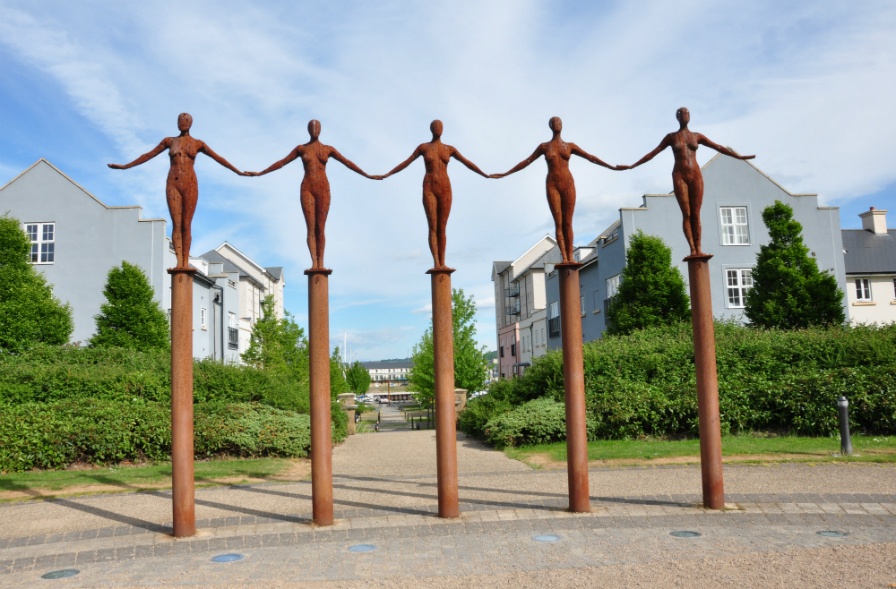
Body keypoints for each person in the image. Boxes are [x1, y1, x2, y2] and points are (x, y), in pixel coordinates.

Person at [108, 113, 245, 269]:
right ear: (177, 123)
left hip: (190, 184)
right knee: (176, 224)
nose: (183, 123)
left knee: (186, 225)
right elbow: (148, 155)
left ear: (191, 124)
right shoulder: (169, 141)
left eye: (187, 121)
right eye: (181, 120)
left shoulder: (198, 144)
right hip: (173, 183)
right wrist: (126, 166)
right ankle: (179, 262)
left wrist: (238, 171)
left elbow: (219, 158)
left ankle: (185, 262)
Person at [619, 107, 755, 257]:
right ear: (677, 117)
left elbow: (719, 147)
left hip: (695, 175)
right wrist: (632, 166)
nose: (684, 116)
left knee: (696, 214)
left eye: (686, 113)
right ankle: (692, 249)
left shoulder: (697, 136)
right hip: (679, 175)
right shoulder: (671, 137)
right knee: (687, 214)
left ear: (689, 116)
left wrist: (739, 157)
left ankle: (699, 248)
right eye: (680, 114)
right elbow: (652, 153)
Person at [245, 119, 380, 270]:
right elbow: (282, 162)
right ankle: (314, 264)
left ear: (321, 129)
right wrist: (260, 173)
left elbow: (347, 162)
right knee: (310, 227)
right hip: (307, 188)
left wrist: (367, 175)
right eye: (312, 127)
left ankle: (321, 263)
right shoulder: (301, 149)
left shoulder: (328, 149)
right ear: (308, 130)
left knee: (320, 228)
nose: (314, 129)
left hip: (323, 189)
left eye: (317, 127)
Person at [490, 117, 621, 263]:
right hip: (552, 185)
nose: (557, 124)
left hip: (568, 184)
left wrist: (612, 167)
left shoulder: (570, 146)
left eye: (559, 122)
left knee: (568, 223)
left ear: (562, 126)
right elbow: (526, 161)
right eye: (554, 123)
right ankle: (565, 258)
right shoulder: (544, 147)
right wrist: (505, 173)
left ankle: (571, 257)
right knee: (558, 223)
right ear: (550, 126)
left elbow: (590, 157)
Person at [379, 120, 489, 270]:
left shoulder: (449, 149)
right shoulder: (424, 148)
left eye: (440, 126)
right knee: (432, 227)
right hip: (429, 187)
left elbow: (467, 162)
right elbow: (406, 162)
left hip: (445, 188)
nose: (438, 129)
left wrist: (485, 174)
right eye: (435, 127)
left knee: (442, 228)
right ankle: (436, 263)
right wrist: (387, 174)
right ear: (431, 129)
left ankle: (442, 262)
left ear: (443, 129)